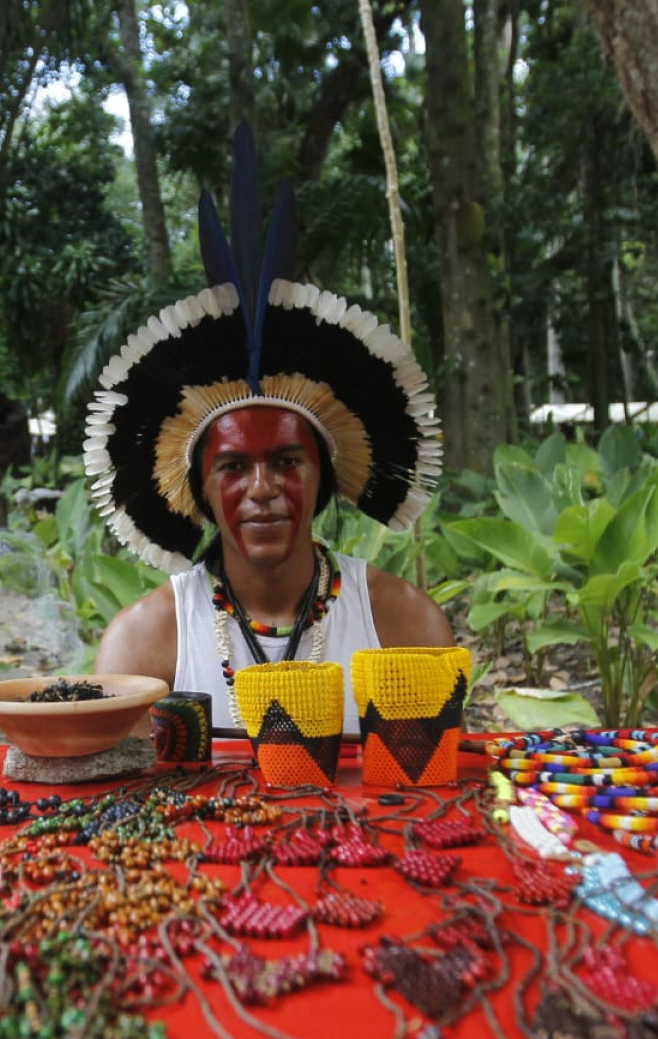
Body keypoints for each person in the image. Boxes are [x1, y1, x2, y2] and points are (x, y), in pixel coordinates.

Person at [91, 133, 452, 734]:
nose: (263, 487)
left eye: (287, 460)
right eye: (233, 467)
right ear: (200, 488)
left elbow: (430, 789)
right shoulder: (145, 645)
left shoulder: (402, 625)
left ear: (325, 478)